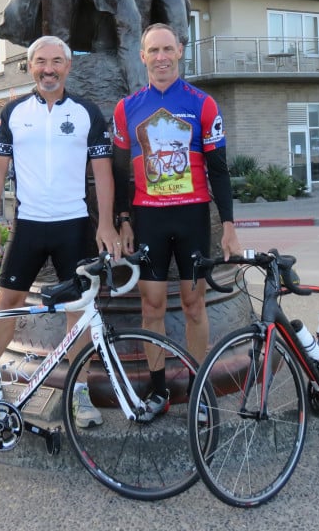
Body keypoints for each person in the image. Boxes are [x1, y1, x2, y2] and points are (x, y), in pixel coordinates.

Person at [0, 35, 121, 428]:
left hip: (73, 225)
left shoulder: (87, 112)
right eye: (41, 61)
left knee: (79, 311)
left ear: (68, 67)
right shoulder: (14, 111)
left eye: (56, 61)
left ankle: (79, 390)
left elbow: (103, 175)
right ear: (30, 65)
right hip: (29, 224)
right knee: (7, 303)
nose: (49, 69)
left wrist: (105, 222)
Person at [112, 23, 242, 420]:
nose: (162, 57)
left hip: (192, 217)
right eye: (154, 50)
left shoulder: (203, 104)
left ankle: (199, 388)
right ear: (143, 56)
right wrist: (123, 219)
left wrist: (230, 226)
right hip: (148, 218)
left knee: (193, 304)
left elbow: (219, 170)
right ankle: (158, 390)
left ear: (180, 51)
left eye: (168, 49)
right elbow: (119, 172)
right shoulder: (127, 107)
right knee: (151, 307)